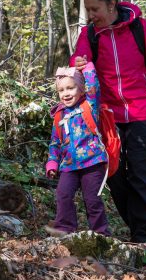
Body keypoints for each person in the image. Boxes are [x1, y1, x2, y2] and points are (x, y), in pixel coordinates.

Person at [71, 0, 146, 244]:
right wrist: (78, 60)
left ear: (111, 5)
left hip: (144, 111)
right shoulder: (90, 34)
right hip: (109, 115)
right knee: (113, 173)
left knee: (141, 175)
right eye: (88, 10)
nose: (91, 15)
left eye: (95, 9)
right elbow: (78, 56)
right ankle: (140, 228)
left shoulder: (140, 29)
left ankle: (143, 237)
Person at [45, 64, 110, 235]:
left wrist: (88, 68)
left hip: (92, 161)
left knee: (92, 200)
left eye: (71, 88)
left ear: (81, 89)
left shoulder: (89, 106)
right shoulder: (59, 115)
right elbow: (55, 142)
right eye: (61, 90)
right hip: (68, 165)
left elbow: (94, 87)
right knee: (63, 194)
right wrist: (52, 162)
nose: (66, 93)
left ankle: (101, 233)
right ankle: (64, 230)